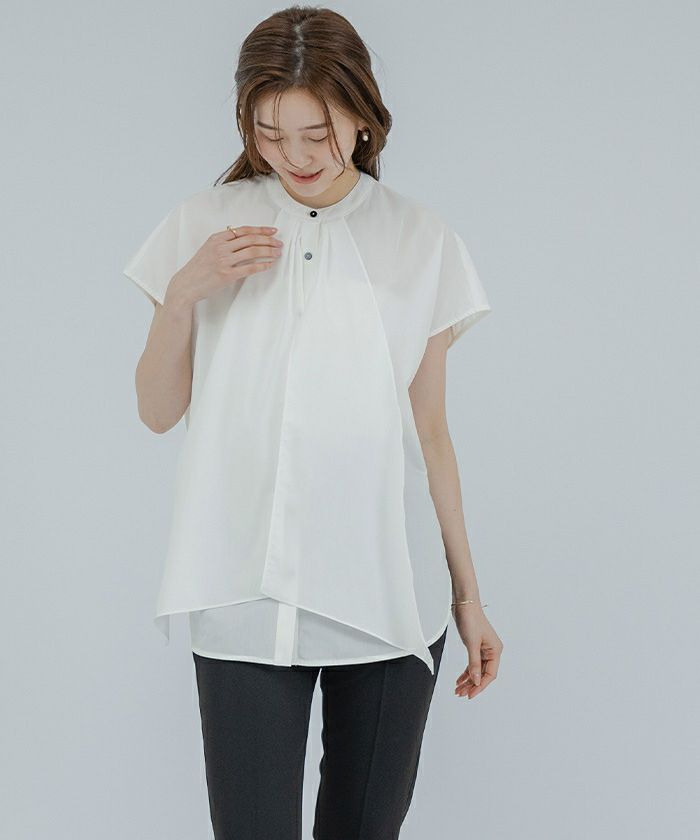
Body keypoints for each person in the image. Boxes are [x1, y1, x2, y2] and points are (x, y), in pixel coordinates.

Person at [123, 5, 504, 839]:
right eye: (269, 133)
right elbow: (156, 412)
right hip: (241, 596)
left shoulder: (421, 239)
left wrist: (468, 596)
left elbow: (430, 435)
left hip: (391, 598)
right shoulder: (203, 224)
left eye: (317, 133)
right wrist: (184, 293)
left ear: (363, 119)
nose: (293, 156)